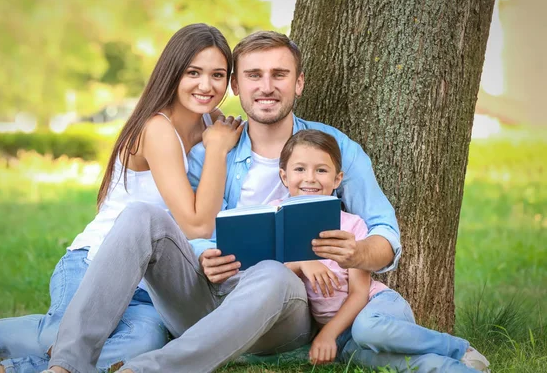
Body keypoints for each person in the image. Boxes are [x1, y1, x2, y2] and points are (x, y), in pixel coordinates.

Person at [43, 31, 401, 373]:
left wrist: (358, 254)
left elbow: (385, 232)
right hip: (207, 298)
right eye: (253, 75)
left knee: (272, 271)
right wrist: (201, 254)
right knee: (141, 216)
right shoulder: (213, 149)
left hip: (282, 310)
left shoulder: (334, 150)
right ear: (236, 85)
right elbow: (188, 226)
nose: (266, 86)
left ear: (299, 82)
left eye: (279, 74)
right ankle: (66, 364)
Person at [0, 23, 243, 373]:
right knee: (64, 333)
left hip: (148, 286)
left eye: (218, 75)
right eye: (194, 72)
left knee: (142, 343)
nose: (206, 85)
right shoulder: (157, 129)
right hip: (95, 263)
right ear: (173, 71)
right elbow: (197, 224)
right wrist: (217, 151)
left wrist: (216, 141)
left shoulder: (211, 120)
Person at [277, 129, 491, 373]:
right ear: (284, 176)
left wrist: (327, 334)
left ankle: (458, 349)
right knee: (397, 363)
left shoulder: (351, 225)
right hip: (345, 340)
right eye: (300, 169)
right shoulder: (275, 216)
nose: (310, 178)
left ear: (338, 179)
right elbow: (265, 270)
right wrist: (303, 263)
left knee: (367, 329)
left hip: (376, 309)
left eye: (321, 170)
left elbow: (360, 293)